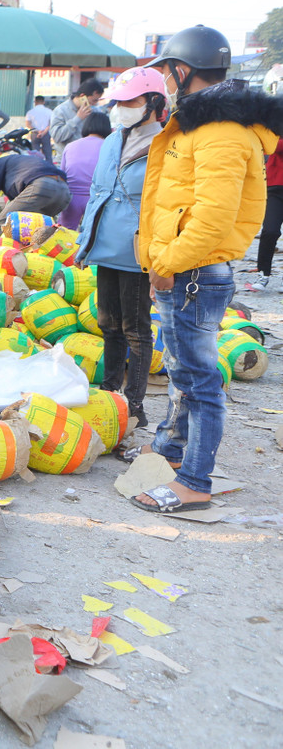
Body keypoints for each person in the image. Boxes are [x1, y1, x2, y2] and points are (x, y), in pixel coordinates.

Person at [132, 25, 281, 514]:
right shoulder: (199, 124)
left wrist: (167, 264)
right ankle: (171, 451)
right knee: (182, 373)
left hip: (194, 272)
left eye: (168, 74)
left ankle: (195, 482)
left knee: (198, 382)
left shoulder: (220, 132)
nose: (167, 85)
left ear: (183, 70)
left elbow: (213, 217)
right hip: (182, 270)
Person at [75, 67, 171, 436]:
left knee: (136, 329)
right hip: (105, 246)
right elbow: (97, 194)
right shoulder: (113, 139)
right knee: (107, 323)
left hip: (137, 249)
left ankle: (135, 405)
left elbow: (167, 206)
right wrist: (85, 241)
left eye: (130, 101)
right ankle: (111, 391)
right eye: (118, 102)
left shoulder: (165, 146)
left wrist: (163, 259)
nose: (121, 108)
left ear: (154, 103)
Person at [0, 152, 71, 222]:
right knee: (39, 232)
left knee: (3, 225)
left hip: (41, 186)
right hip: (64, 192)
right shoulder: (21, 163)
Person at [58, 111, 112, 229]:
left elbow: (62, 174)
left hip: (71, 199)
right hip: (96, 199)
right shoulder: (109, 147)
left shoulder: (70, 146)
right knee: (93, 236)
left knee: (64, 236)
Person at [245, 147, 283, 292]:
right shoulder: (276, 124)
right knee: (270, 231)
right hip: (276, 185)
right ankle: (263, 273)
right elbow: (271, 146)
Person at [49, 79, 105, 149]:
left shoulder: (95, 111)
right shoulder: (60, 111)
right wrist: (78, 118)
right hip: (66, 158)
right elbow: (57, 137)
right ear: (82, 96)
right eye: (94, 100)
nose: (95, 104)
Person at [26, 94, 55, 161]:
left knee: (35, 153)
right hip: (46, 134)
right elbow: (51, 124)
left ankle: (36, 167)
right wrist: (43, 132)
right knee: (47, 152)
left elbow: (28, 124)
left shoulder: (30, 112)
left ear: (35, 102)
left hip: (34, 134)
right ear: (43, 102)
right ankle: (49, 167)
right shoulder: (49, 111)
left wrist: (37, 131)